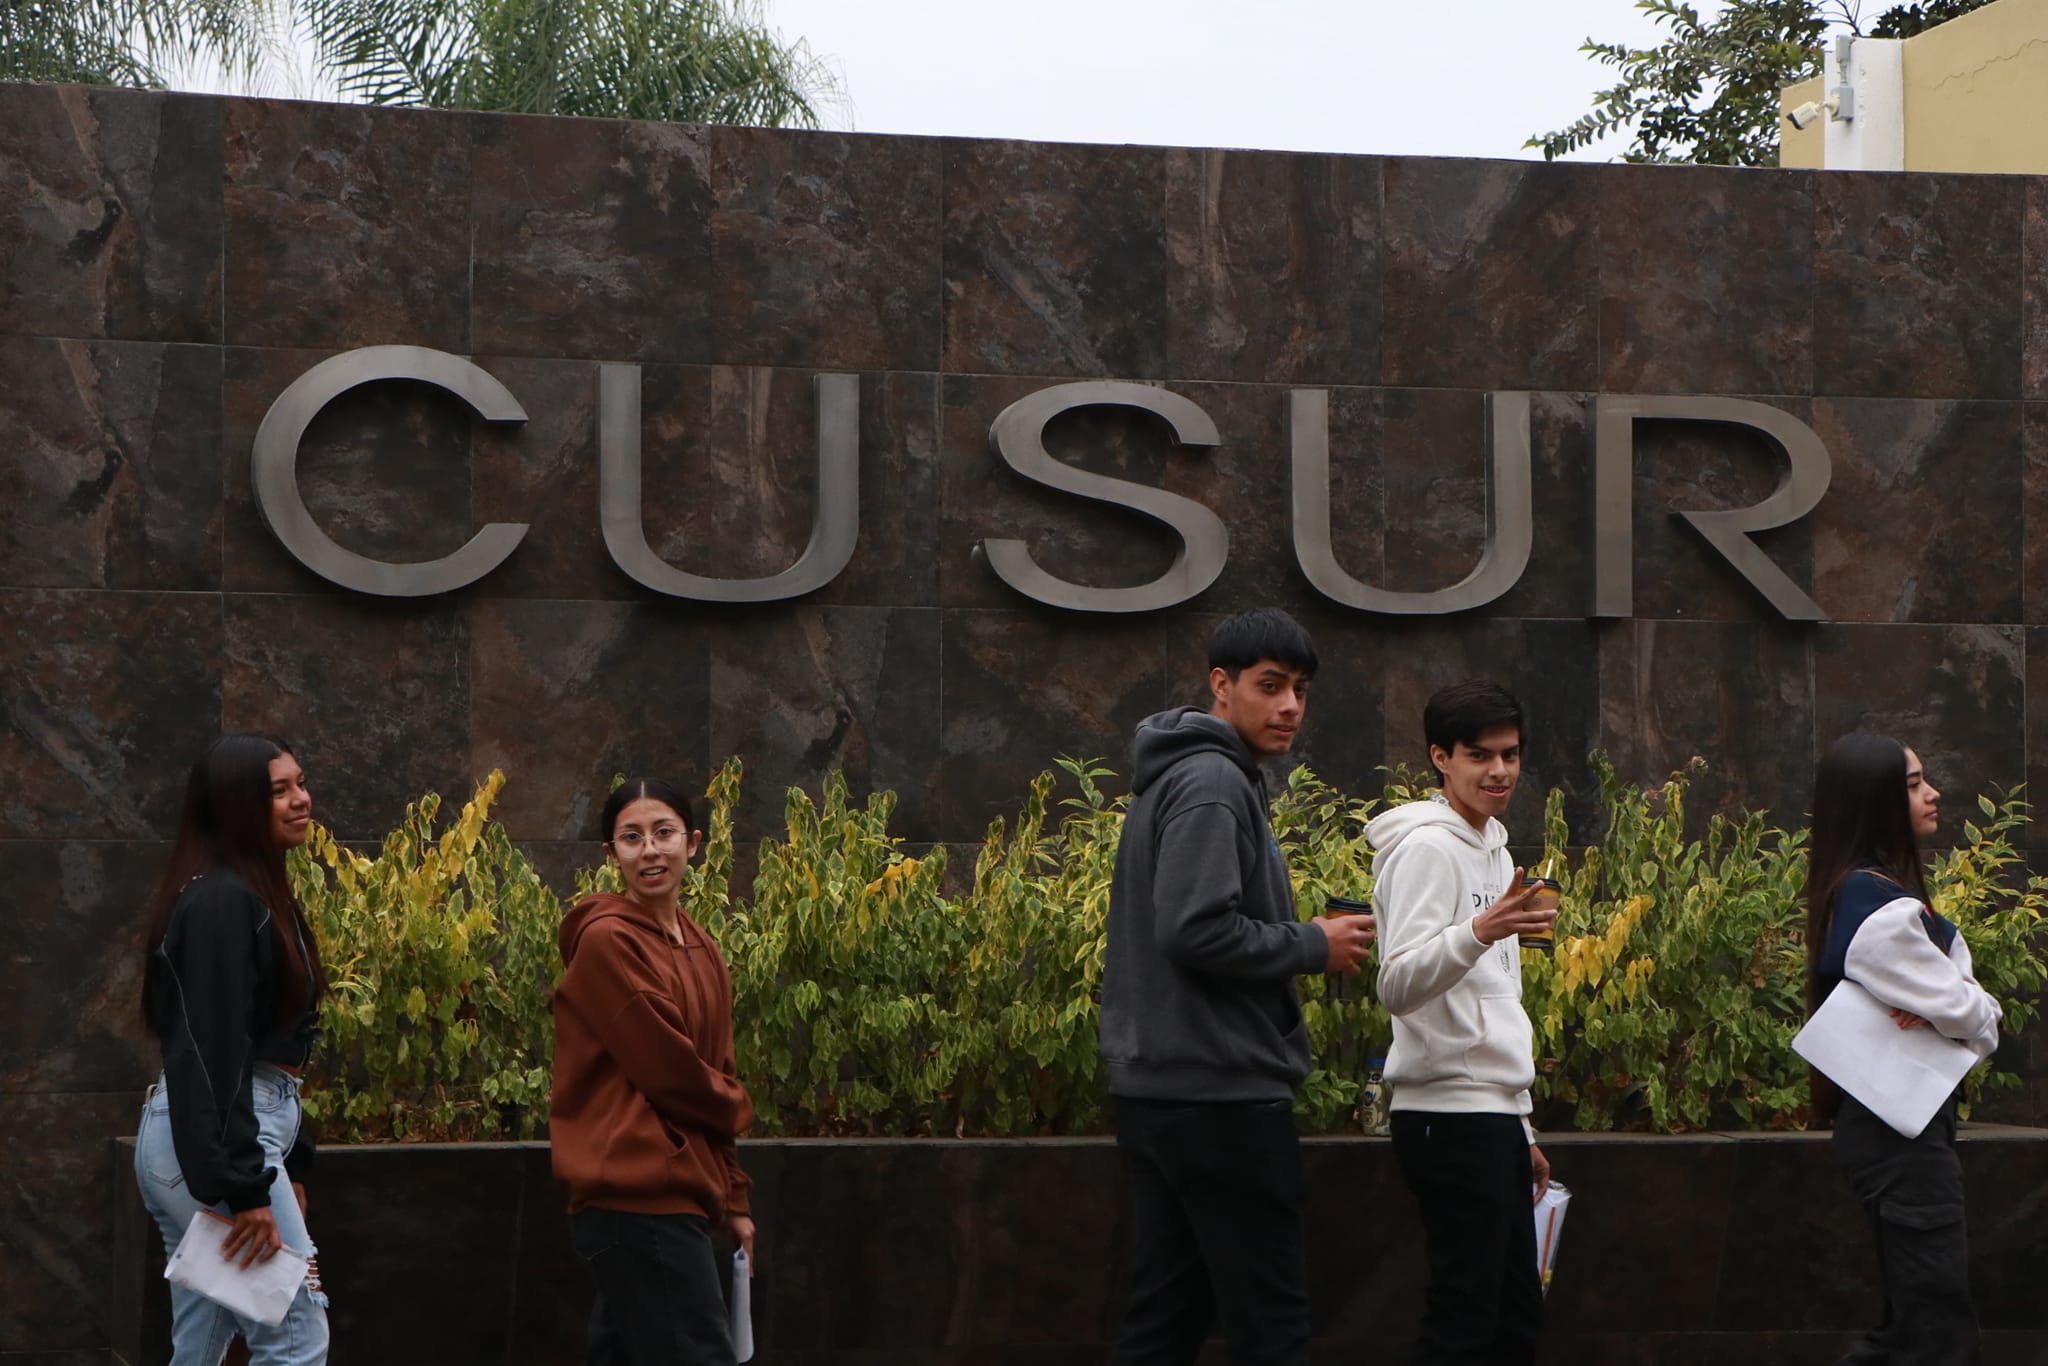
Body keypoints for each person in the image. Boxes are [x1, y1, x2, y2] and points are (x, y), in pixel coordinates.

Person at [1100, 607, 1378, 1365]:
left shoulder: (1185, 776)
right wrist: (1313, 944)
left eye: (1301, 690)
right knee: (1271, 1327)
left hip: (1165, 1091)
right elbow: (1195, 930)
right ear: (1221, 685)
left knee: (1164, 1322)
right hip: (1219, 1097)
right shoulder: (1214, 782)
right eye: (1270, 686)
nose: (1290, 706)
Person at [1365, 680, 1555, 1366]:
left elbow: (1498, 995)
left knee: (1512, 1322)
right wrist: (1479, 929)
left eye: (1510, 754)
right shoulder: (1427, 849)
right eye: (1480, 755)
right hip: (1445, 1119)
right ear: (1440, 758)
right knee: (1466, 1321)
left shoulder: (1495, 850)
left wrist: (1520, 1126)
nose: (1499, 771)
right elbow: (1396, 984)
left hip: (1490, 1117)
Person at [134, 734, 331, 1366]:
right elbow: (212, 1051)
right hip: (219, 1142)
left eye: (300, 783)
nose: (301, 800)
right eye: (278, 791)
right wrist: (246, 1187)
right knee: (295, 1338)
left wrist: (289, 1163)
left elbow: (262, 1039)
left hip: (215, 1137)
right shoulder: (223, 900)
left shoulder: (245, 893)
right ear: (235, 804)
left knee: (204, 1346)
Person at [1805, 733, 2001, 1366]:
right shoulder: (1880, 912)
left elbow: (1957, 1010)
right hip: (1899, 1136)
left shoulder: (1864, 893)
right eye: (1914, 784)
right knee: (1933, 1332)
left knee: (1917, 1328)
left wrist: (1950, 1007)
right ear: (1877, 801)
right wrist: (1966, 1007)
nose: (1933, 793)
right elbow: (1979, 1018)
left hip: (1895, 1127)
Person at [551, 778, 756, 1366]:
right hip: (635, 1196)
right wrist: (739, 1105)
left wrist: (734, 1197)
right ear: (610, 854)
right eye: (632, 837)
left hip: (672, 1194)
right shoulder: (607, 941)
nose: (650, 851)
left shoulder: (703, 947)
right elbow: (674, 1075)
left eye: (664, 833)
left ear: (692, 843)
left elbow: (716, 1066)